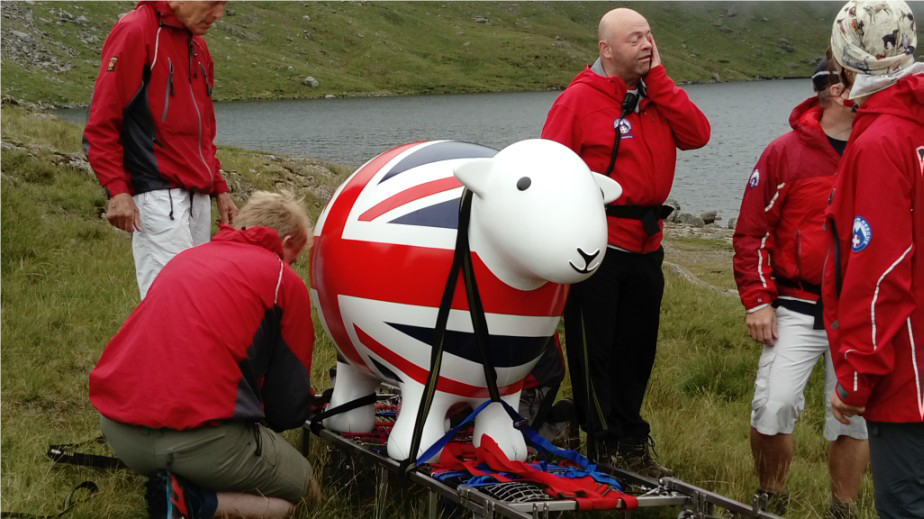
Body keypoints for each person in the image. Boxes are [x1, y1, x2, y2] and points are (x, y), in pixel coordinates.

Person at [541, 7, 710, 478]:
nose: (647, 44)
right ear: (606, 48)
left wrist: (661, 82)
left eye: (650, 36)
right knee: (596, 351)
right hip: (598, 245)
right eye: (635, 38)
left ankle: (631, 437)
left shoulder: (659, 97)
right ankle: (603, 441)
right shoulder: (578, 101)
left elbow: (698, 135)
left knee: (638, 349)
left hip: (647, 245)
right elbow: (551, 173)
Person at [89, 191, 318, 519]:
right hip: (201, 442)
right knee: (305, 489)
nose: (291, 266)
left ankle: (179, 482)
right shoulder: (283, 278)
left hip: (120, 432)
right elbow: (287, 406)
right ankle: (197, 504)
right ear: (286, 240)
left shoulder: (188, 258)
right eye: (292, 256)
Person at [733, 55, 868, 518]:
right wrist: (757, 301)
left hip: (859, 309)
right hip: (795, 302)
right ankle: (771, 497)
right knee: (774, 406)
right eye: (861, 81)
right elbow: (752, 231)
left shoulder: (880, 147)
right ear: (836, 91)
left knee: (854, 417)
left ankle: (842, 509)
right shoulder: (784, 152)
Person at [822, 0, 924, 517]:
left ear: (851, 56)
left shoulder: (881, 140)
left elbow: (880, 272)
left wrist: (858, 376)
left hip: (907, 380)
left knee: (906, 505)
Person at [84, 0, 238, 299]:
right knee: (170, 301)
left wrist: (220, 187)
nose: (219, 14)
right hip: (157, 193)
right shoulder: (137, 30)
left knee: (197, 296)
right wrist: (117, 190)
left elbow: (204, 130)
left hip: (197, 196)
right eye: (213, 2)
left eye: (224, 4)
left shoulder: (198, 47)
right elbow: (103, 120)